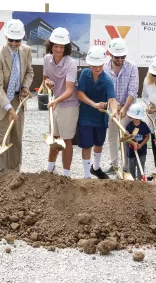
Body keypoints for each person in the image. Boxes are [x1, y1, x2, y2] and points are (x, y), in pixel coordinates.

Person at [0, 19, 34, 173]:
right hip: (1, 103)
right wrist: (8, 108)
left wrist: (25, 86)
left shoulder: (26, 51)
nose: (14, 43)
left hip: (17, 100)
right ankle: (0, 176)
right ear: (6, 37)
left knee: (16, 139)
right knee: (1, 141)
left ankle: (15, 174)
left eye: (17, 40)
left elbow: (29, 72)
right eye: (11, 40)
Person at [75, 46, 119, 179]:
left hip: (101, 118)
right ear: (89, 64)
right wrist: (93, 104)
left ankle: (96, 167)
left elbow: (112, 99)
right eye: (94, 66)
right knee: (86, 145)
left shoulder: (107, 80)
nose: (97, 69)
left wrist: (115, 111)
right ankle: (87, 175)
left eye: (100, 65)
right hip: (86, 116)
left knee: (99, 143)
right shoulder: (84, 74)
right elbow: (79, 93)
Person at [42, 27, 79, 175]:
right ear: (51, 45)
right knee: (54, 137)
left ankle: (66, 174)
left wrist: (56, 100)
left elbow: (70, 90)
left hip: (69, 105)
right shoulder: (46, 59)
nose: (58, 49)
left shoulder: (71, 63)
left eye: (61, 47)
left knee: (66, 139)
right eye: (56, 46)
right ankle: (50, 169)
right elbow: (45, 80)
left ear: (66, 48)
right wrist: (48, 84)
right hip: (55, 102)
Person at [103, 38, 138, 174]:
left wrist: (124, 109)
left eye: (123, 56)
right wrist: (114, 107)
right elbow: (104, 89)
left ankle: (126, 165)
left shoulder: (132, 67)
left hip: (127, 109)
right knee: (111, 136)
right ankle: (114, 164)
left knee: (125, 136)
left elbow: (133, 91)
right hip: (112, 108)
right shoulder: (104, 68)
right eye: (117, 57)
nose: (120, 59)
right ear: (111, 55)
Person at [124, 102, 151, 180]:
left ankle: (140, 180)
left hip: (142, 151)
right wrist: (133, 143)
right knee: (131, 167)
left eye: (136, 117)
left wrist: (141, 144)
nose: (135, 119)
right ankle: (132, 180)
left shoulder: (144, 125)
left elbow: (147, 136)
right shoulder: (129, 126)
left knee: (141, 166)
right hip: (131, 151)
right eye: (133, 117)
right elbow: (127, 138)